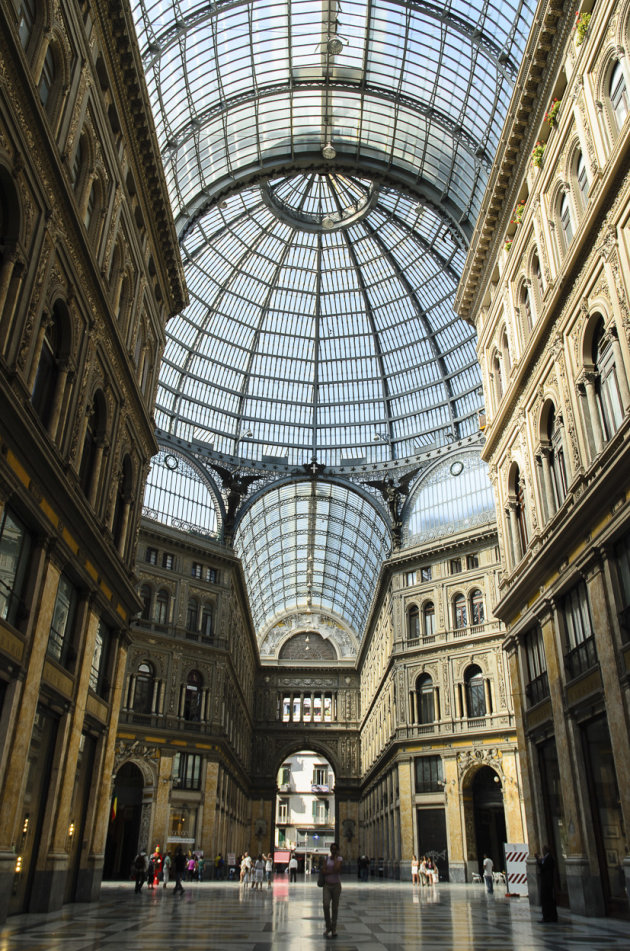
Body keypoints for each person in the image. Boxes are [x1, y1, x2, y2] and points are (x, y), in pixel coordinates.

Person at [320, 842, 342, 939]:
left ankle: (333, 929)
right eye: (332, 849)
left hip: (336, 886)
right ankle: (328, 926)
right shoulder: (326, 859)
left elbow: (337, 869)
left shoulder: (339, 859)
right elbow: (323, 871)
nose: (333, 851)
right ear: (330, 850)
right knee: (326, 905)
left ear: (337, 850)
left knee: (335, 908)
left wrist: (329, 870)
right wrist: (331, 871)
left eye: (335, 849)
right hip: (327, 886)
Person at [535, 845, 558, 922]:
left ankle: (549, 917)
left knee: (548, 900)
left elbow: (544, 868)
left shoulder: (549, 858)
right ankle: (547, 916)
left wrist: (538, 860)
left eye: (543, 850)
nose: (543, 851)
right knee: (546, 900)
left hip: (547, 883)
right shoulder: (546, 858)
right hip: (546, 882)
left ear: (546, 850)